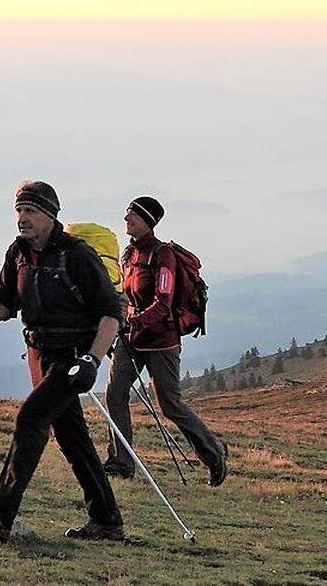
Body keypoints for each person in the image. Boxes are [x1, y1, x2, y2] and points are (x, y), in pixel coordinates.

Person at [0, 180, 127, 541]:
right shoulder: (17, 254)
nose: (22, 218)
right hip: (42, 354)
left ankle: (0, 511)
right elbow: (4, 306)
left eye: (29, 211)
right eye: (18, 211)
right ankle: (107, 520)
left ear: (49, 215)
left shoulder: (78, 255)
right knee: (72, 437)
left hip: (73, 359)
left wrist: (92, 361)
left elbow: (111, 314)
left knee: (31, 417)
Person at [102, 196, 229, 486]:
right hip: (130, 339)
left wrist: (130, 321)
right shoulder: (128, 254)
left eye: (131, 215)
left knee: (171, 405)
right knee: (114, 394)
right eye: (126, 215)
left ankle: (214, 455)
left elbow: (163, 303)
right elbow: (124, 294)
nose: (126, 220)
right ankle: (121, 462)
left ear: (146, 221)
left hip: (161, 341)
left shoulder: (163, 256)